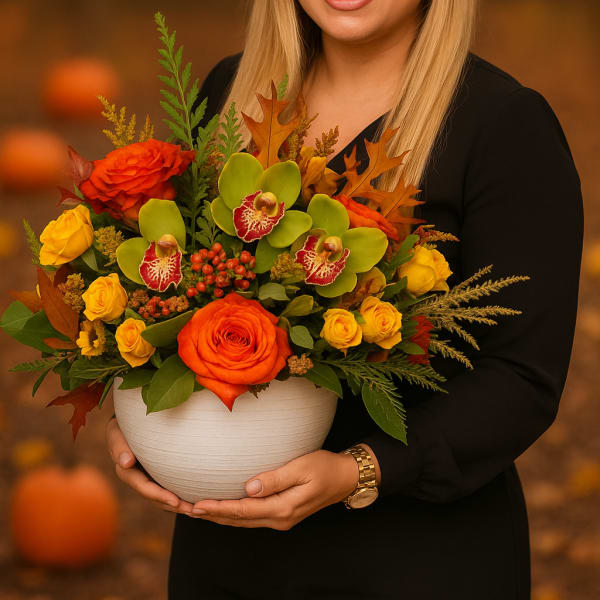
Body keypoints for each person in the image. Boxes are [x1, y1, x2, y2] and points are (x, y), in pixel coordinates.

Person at [105, 0, 583, 598]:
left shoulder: (504, 125)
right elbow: (161, 286)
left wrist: (363, 469)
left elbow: (522, 377)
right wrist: (136, 410)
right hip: (229, 553)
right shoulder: (234, 91)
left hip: (414, 557)